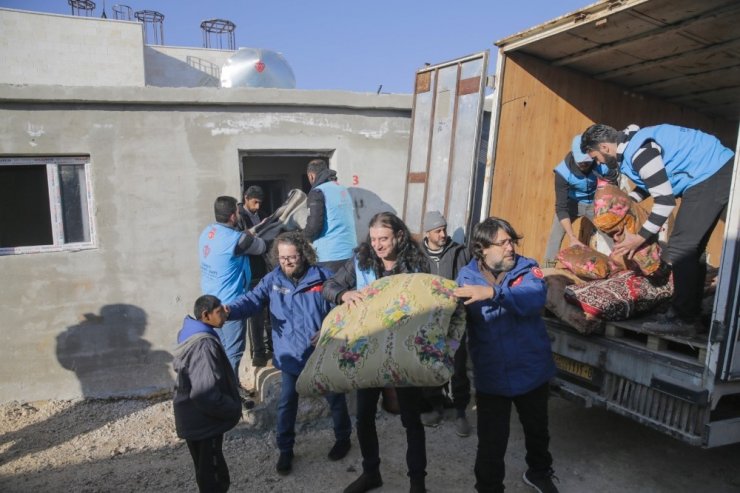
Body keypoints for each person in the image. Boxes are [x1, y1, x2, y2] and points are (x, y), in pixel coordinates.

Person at [580, 124, 735, 335]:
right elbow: (651, 183)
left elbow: (665, 201)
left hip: (711, 173)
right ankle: (689, 313)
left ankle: (684, 319)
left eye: (596, 157)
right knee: (691, 247)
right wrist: (626, 203)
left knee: (682, 247)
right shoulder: (631, 144)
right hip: (712, 171)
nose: (599, 162)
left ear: (605, 148)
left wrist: (639, 237)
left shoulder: (640, 153)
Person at [225, 231, 352, 476]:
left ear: (303, 254)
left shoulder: (323, 278)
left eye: (292, 257)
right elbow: (251, 301)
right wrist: (229, 310)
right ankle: (285, 450)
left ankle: (343, 438)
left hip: (320, 354)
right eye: (282, 258)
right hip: (290, 357)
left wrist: (329, 330)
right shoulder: (272, 281)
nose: (287, 262)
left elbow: (343, 311)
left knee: (336, 399)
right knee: (287, 405)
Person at [322, 211, 430, 493]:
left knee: (411, 420)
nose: (378, 245)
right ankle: (371, 474)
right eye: (373, 239)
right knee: (365, 416)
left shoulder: (416, 264)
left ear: (398, 236)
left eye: (383, 238)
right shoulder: (361, 261)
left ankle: (417, 482)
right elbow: (329, 286)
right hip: (368, 352)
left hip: (404, 352)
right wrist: (343, 295)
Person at [454, 217, 559, 493]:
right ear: (483, 249)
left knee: (537, 431)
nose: (510, 247)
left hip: (531, 370)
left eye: (511, 240)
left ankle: (538, 472)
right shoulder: (466, 277)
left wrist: (492, 293)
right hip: (493, 376)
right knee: (491, 442)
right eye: (502, 243)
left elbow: (533, 299)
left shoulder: (528, 268)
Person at [173, 295, 242, 493]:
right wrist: (233, 409)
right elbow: (206, 393)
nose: (225, 315)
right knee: (214, 479)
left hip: (192, 417)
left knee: (205, 472)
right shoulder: (204, 345)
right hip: (204, 423)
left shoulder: (189, 332)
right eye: (220, 311)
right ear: (206, 315)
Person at [199, 196, 266, 386]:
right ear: (233, 216)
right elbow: (260, 247)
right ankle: (232, 392)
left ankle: (220, 387)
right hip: (229, 305)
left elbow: (234, 241)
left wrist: (247, 233)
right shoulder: (235, 241)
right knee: (234, 351)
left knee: (220, 349)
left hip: (210, 300)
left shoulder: (208, 232)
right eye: (237, 212)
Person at [418, 210, 472, 438]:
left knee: (458, 367)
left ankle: (460, 412)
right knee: (431, 365)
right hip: (429, 321)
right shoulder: (417, 255)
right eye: (438, 231)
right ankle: (436, 407)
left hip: (455, 320)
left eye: (444, 229)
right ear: (427, 233)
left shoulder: (460, 252)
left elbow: (470, 278)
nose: (443, 234)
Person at [544, 135, 613, 265]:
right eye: (581, 162)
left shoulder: (602, 165)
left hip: (595, 202)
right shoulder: (562, 172)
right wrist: (572, 237)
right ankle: (547, 269)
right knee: (555, 236)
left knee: (610, 233)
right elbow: (561, 208)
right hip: (571, 204)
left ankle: (621, 264)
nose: (584, 165)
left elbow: (611, 188)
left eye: (587, 161)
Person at [236, 185, 272, 367]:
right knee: (255, 314)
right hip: (251, 272)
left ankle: (269, 347)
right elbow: (242, 244)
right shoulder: (239, 218)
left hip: (264, 269)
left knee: (269, 312)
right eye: (254, 202)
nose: (257, 206)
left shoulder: (262, 215)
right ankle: (258, 353)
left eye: (259, 203)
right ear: (246, 198)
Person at [304, 158, 358, 273]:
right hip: (350, 253)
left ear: (311, 176)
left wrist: (301, 238)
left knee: (330, 289)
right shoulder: (342, 188)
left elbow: (314, 227)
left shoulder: (317, 192)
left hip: (329, 257)